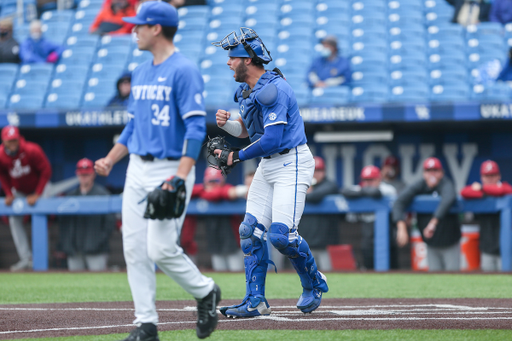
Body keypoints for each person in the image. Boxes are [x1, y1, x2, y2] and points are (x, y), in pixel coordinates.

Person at [94, 3, 220, 340]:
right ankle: (146, 324)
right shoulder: (139, 71)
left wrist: (180, 175)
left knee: (161, 249)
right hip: (137, 166)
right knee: (133, 248)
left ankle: (206, 290)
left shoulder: (184, 70)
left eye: (139, 25)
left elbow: (196, 129)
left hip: (170, 167)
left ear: (156, 29)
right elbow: (133, 125)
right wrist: (110, 158)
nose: (133, 30)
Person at [212, 27, 329, 318]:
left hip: (293, 161)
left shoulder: (273, 88)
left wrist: (235, 156)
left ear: (248, 60)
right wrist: (228, 126)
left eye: (233, 58)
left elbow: (273, 140)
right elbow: (250, 132)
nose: (228, 63)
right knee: (249, 232)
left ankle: (314, 282)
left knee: (281, 237)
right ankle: (255, 301)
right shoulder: (247, 90)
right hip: (269, 163)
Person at [393, 157, 461, 271]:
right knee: (434, 278)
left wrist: (433, 223)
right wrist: (401, 226)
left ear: (441, 173)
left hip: (450, 242)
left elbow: (449, 198)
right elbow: (399, 201)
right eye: (428, 171)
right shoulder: (420, 185)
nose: (432, 174)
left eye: (435, 170)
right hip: (431, 243)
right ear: (424, 173)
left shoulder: (446, 183)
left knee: (452, 278)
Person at [0, 126, 51, 271]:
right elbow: (2, 174)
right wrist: (9, 193)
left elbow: (46, 170)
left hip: (41, 188)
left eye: (14, 139)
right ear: (4, 140)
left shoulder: (32, 149)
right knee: (13, 218)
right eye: (9, 140)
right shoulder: (1, 155)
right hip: (21, 191)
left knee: (41, 215)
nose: (13, 143)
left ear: (19, 138)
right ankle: (26, 259)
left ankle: (44, 259)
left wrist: (38, 193)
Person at [59, 158, 116, 271]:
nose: (84, 177)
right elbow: (63, 223)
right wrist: (68, 245)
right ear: (77, 175)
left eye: (87, 174)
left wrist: (99, 241)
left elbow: (110, 222)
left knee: (98, 284)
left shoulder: (103, 194)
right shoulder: (70, 196)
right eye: (82, 174)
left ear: (93, 175)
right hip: (75, 249)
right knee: (75, 285)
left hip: (96, 249)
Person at [341, 165, 398, 270]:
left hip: (387, 235)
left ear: (378, 179)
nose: (367, 183)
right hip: (367, 235)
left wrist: (361, 193)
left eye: (371, 180)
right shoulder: (361, 188)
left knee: (392, 269)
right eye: (365, 180)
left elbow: (376, 193)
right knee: (368, 268)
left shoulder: (387, 189)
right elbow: (345, 191)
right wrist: (363, 192)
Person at [460, 160, 512, 271]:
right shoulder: (479, 194)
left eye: (493, 175)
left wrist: (482, 188)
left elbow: (506, 190)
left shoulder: (505, 188)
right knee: (489, 284)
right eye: (487, 176)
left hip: (507, 249)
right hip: (487, 248)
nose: (490, 178)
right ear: (482, 177)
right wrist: (483, 191)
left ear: (499, 176)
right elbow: (464, 192)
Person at [191, 167, 243, 272]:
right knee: (220, 274)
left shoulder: (227, 188)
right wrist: (204, 190)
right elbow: (189, 191)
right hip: (215, 243)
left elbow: (232, 192)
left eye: (216, 181)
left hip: (233, 243)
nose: (213, 184)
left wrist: (208, 193)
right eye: (211, 181)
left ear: (222, 181)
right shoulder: (200, 191)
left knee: (238, 273)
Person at [298, 156, 339, 271]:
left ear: (324, 172)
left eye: (319, 170)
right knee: (303, 277)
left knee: (329, 276)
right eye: (313, 170)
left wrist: (305, 192)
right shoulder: (300, 185)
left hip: (326, 244)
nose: (315, 174)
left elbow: (316, 196)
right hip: (304, 244)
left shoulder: (329, 185)